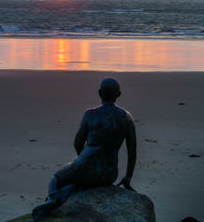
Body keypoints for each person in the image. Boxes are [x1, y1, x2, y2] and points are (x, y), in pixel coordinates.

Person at [32, 78, 137, 221]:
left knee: (56, 178)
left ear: (99, 93)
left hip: (85, 166)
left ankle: (52, 201)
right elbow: (132, 149)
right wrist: (128, 176)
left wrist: (83, 161)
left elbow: (77, 143)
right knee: (78, 182)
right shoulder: (127, 117)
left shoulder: (90, 114)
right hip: (109, 174)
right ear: (118, 94)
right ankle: (69, 190)